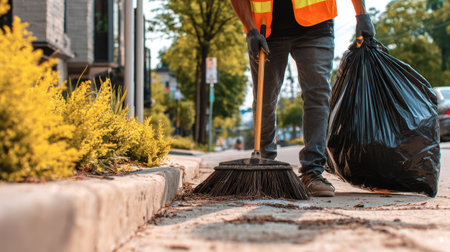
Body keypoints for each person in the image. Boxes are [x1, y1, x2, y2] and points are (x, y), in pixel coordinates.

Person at [229, 0, 375, 197]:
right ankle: (265, 166)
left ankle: (312, 172)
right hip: (266, 30)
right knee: (265, 98)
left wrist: (362, 14)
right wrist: (250, 29)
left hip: (316, 24)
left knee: (317, 94)